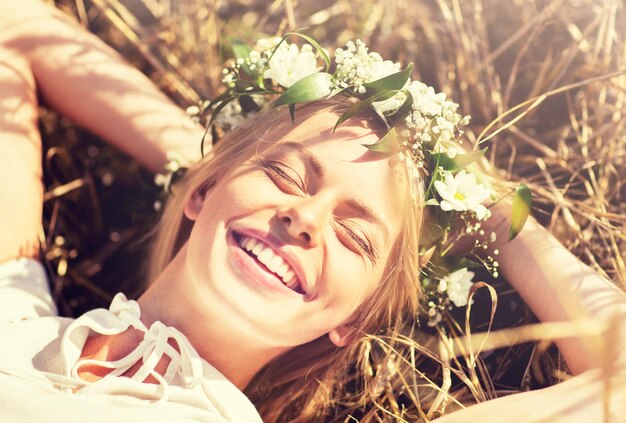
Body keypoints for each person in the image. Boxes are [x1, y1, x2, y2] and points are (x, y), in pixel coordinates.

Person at [1, 1, 625, 422]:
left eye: (355, 237)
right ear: (199, 191)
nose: (305, 219)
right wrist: (217, 165)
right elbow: (16, 25)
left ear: (353, 323)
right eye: (285, 175)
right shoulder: (11, 304)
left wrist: (495, 214)